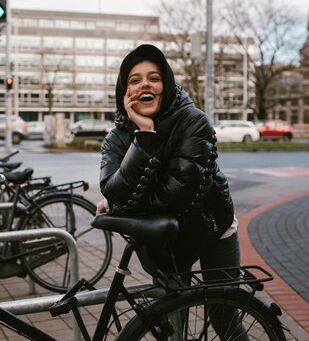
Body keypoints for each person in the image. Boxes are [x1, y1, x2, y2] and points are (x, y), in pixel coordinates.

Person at [97, 44, 244, 336]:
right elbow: (111, 188)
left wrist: (123, 203)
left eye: (154, 77)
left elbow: (172, 197)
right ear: (125, 92)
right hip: (164, 239)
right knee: (170, 323)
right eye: (135, 80)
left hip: (211, 229)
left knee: (223, 319)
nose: (145, 85)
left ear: (166, 83)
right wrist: (144, 135)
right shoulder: (117, 136)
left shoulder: (194, 122)